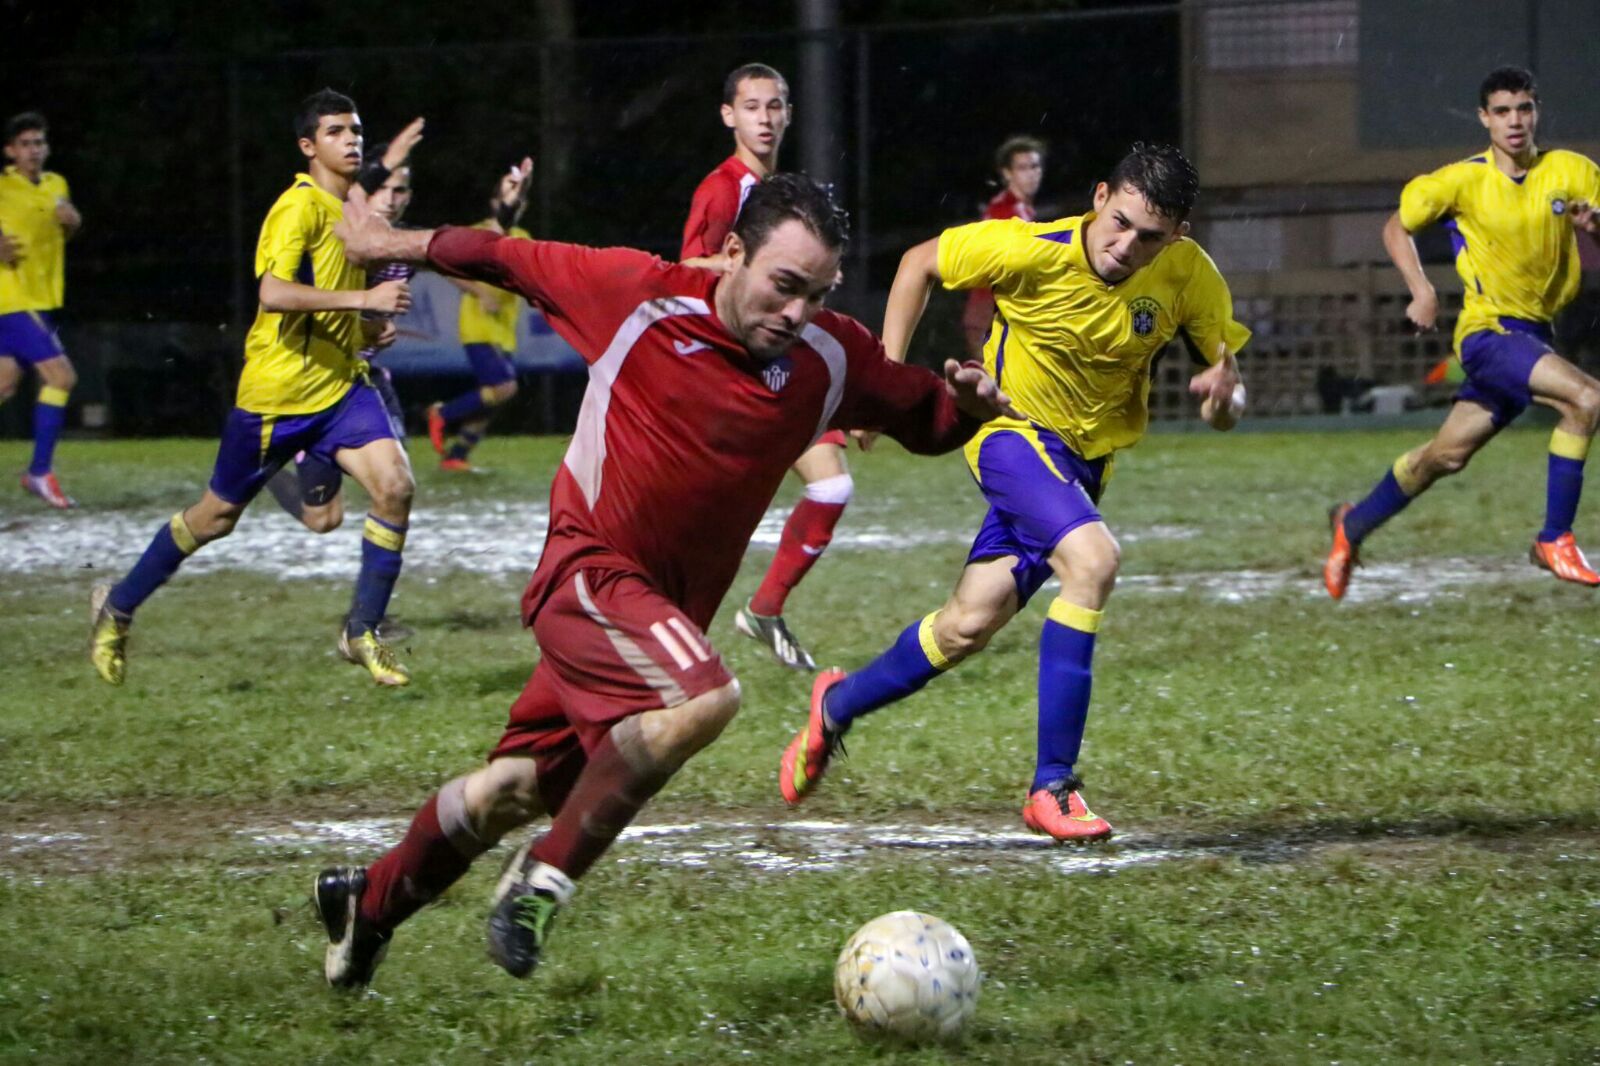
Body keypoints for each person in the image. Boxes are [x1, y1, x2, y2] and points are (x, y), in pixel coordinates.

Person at [312, 172, 1013, 988]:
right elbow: (500, 256)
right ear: (732, 253)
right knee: (704, 700)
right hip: (587, 574)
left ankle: (366, 907)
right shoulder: (635, 296)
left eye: (816, 295)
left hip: (654, 622)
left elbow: (923, 415)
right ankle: (543, 880)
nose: (796, 312)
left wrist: (966, 407)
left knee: (512, 789)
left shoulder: (829, 355)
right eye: (784, 285)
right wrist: (383, 244)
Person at [778, 143, 1249, 843]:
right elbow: (919, 263)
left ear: (1176, 235)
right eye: (1119, 223)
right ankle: (1052, 786)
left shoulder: (1191, 275)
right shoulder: (1031, 248)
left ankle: (836, 707)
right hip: (1009, 435)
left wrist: (1222, 399)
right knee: (1092, 562)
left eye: (1149, 237)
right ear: (1099, 198)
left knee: (967, 624)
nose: (1126, 246)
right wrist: (885, 383)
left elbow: (1229, 401)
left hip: (1082, 468)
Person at [88, 89, 417, 688]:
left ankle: (362, 631)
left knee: (395, 488)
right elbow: (274, 293)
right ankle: (118, 606)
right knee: (214, 519)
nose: (351, 140)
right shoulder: (296, 208)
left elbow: (331, 304)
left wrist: (367, 327)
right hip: (277, 397)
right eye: (336, 131)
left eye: (356, 130)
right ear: (308, 146)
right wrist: (364, 298)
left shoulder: (355, 213)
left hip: (342, 387)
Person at [1325, 66, 1600, 597]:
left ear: (1536, 112)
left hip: (1534, 337)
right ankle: (1554, 538)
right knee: (1586, 399)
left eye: (1523, 109)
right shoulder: (1461, 180)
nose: (1514, 121)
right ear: (1484, 119)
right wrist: (1422, 290)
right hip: (1489, 334)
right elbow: (1396, 226)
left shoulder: (1572, 171)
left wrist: (1596, 229)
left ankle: (1351, 526)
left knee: (1444, 457)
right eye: (1502, 111)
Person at [681, 62, 852, 672]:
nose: (765, 119)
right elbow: (686, 269)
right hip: (730, 367)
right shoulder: (722, 189)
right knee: (705, 507)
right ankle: (665, 627)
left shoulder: (782, 192)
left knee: (831, 485)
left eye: (775, 106)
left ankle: (765, 609)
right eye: (752, 107)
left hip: (778, 361)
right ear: (728, 115)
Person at [266, 122, 425, 536]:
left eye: (400, 190)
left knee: (395, 485)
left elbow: (472, 247)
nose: (391, 199)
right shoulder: (335, 233)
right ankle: (268, 466)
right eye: (382, 188)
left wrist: (506, 212)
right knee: (323, 520)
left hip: (363, 381)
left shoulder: (405, 244)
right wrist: (365, 325)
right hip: (316, 381)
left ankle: (373, 584)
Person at [425, 161, 534, 472]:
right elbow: (445, 267)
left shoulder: (522, 236)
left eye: (519, 201)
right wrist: (479, 292)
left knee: (495, 398)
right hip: (479, 327)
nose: (513, 206)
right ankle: (443, 413)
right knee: (505, 388)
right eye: (506, 199)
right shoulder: (476, 233)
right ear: (494, 203)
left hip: (505, 330)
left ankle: (457, 455)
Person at [0, 111, 83, 508]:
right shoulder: (3, 186)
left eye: (38, 143)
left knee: (4, 384)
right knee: (61, 377)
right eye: (25, 144)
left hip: (42, 299)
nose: (33, 150)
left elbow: (66, 228)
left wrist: (73, 221)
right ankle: (39, 472)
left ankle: (38, 473)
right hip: (11, 299)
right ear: (10, 151)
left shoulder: (56, 184)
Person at [962, 136, 1044, 358]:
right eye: (1023, 168)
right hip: (994, 316)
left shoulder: (1018, 210)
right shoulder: (1005, 212)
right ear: (1007, 174)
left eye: (1035, 166)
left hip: (999, 315)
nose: (1032, 174)